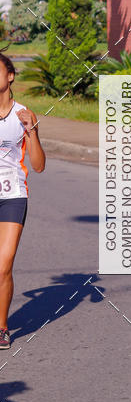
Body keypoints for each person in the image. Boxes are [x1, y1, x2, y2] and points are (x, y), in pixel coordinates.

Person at [0, 50, 45, 350]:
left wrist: (33, 131)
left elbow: (39, 165)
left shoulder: (23, 115)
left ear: (10, 75)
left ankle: (1, 327)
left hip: (13, 195)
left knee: (3, 265)